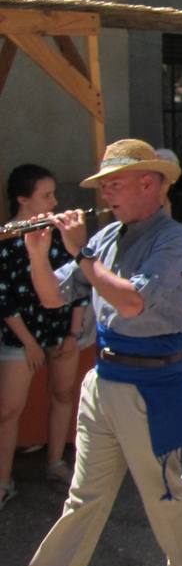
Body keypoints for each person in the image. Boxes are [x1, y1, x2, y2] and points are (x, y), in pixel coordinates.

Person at [3, 140, 182, 566]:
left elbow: (134, 303)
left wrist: (82, 253)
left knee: (163, 490)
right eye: (104, 185)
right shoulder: (109, 236)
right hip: (106, 378)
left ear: (150, 184)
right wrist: (37, 253)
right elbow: (53, 296)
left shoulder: (173, 239)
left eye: (115, 183)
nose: (105, 193)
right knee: (83, 495)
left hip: (152, 384)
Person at [0, 165, 87, 507]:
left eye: (54, 194)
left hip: (60, 328)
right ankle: (4, 480)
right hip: (21, 334)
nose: (54, 201)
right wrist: (29, 343)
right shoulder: (6, 239)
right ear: (23, 199)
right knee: (8, 410)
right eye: (46, 196)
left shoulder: (60, 231)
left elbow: (80, 281)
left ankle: (55, 462)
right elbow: (3, 296)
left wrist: (73, 332)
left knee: (63, 393)